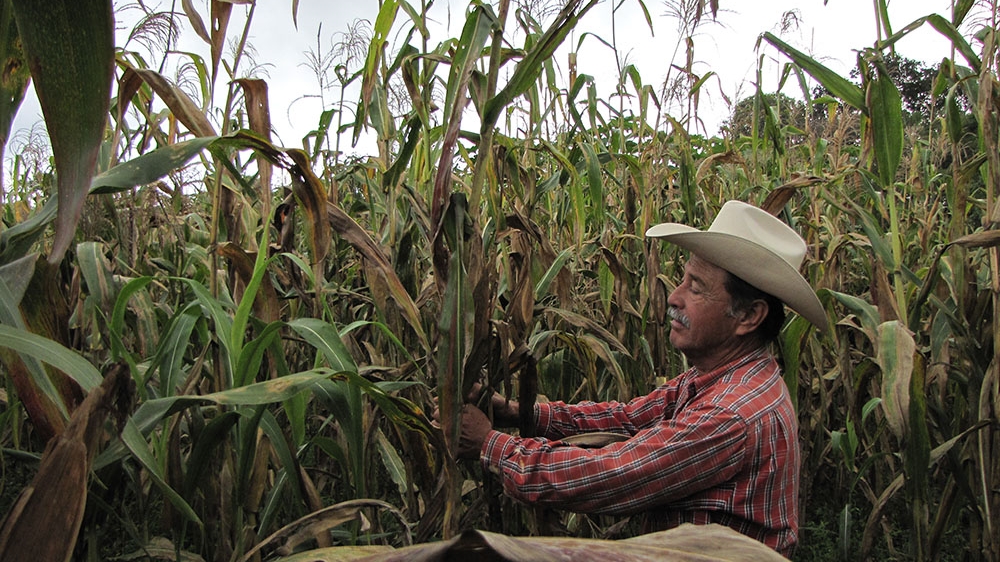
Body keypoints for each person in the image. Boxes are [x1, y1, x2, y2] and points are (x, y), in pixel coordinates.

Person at [454, 200, 828, 557]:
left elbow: (612, 475)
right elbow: (629, 418)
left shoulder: (730, 414)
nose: (674, 297)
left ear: (748, 316)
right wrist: (520, 412)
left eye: (696, 288)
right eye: (683, 280)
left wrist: (490, 445)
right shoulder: (721, 377)